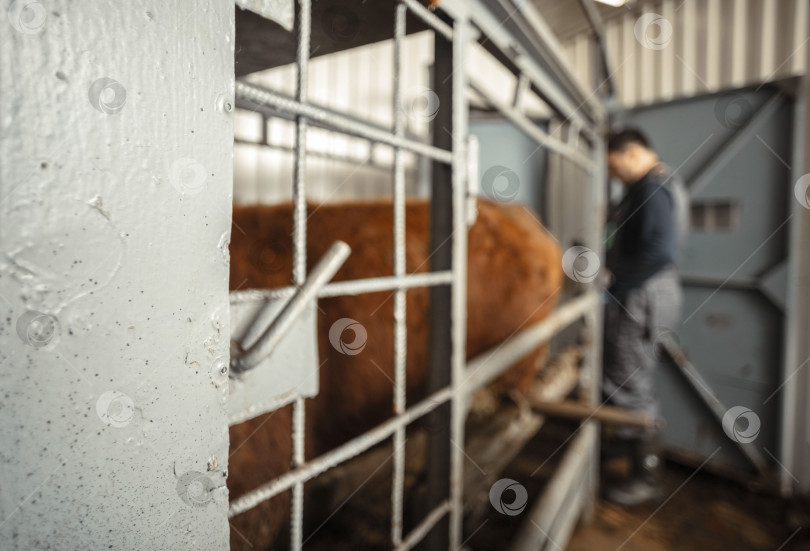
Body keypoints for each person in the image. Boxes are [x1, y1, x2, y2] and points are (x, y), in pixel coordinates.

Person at [602, 128, 688, 507]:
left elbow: (660, 250)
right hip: (654, 292)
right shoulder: (665, 182)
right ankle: (626, 444)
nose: (614, 174)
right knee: (635, 378)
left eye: (615, 166)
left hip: (642, 295)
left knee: (631, 383)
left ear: (633, 153)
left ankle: (647, 477)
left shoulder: (650, 189)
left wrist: (617, 283)